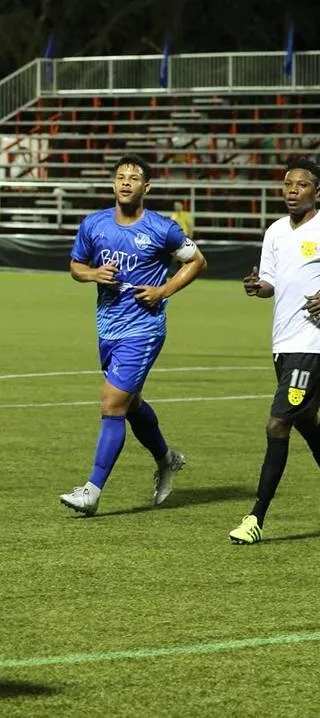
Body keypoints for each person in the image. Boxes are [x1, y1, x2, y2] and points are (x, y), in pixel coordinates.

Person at [60, 154, 207, 516]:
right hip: (107, 328)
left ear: (146, 187)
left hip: (143, 329)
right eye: (121, 176)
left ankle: (92, 492)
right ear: (113, 184)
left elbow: (197, 261)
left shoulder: (162, 228)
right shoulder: (93, 224)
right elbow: (76, 266)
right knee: (132, 404)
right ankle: (166, 458)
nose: (126, 182)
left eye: (134, 177)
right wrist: (93, 274)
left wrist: (163, 291)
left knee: (111, 404)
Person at [230, 158, 320, 544]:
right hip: (283, 343)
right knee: (305, 423)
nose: (292, 190)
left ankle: (255, 518)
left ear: (317, 191)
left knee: (277, 423)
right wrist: (257, 286)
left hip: (311, 345)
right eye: (288, 184)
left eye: (301, 184)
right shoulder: (275, 232)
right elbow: (269, 283)